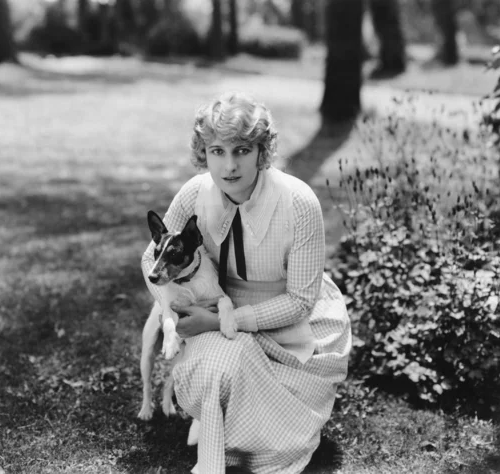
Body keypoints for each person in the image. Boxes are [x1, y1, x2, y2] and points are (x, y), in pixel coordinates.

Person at [141, 92, 351, 474]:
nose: (230, 165)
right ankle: (216, 418)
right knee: (222, 366)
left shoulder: (299, 202)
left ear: (262, 151)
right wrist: (176, 302)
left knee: (277, 445)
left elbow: (301, 301)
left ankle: (241, 431)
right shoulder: (194, 193)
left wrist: (227, 320)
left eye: (242, 150)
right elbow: (148, 258)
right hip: (217, 309)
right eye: (217, 151)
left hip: (290, 325)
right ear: (204, 153)